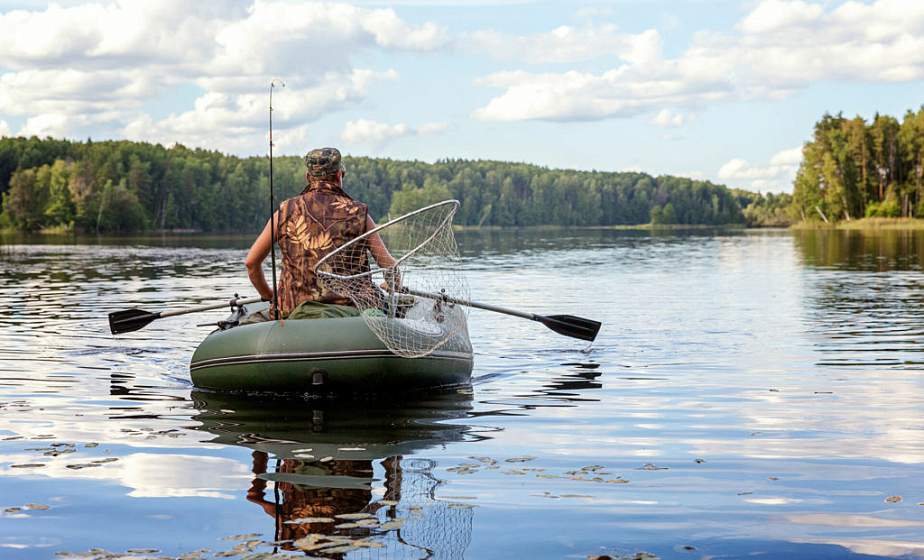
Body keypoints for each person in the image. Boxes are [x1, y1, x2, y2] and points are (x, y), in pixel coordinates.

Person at [245, 147, 396, 321]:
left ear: (308, 177)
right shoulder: (358, 213)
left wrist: (270, 296)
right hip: (351, 311)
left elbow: (251, 263)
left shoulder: (284, 211)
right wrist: (392, 284)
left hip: (292, 311)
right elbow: (389, 266)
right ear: (339, 175)